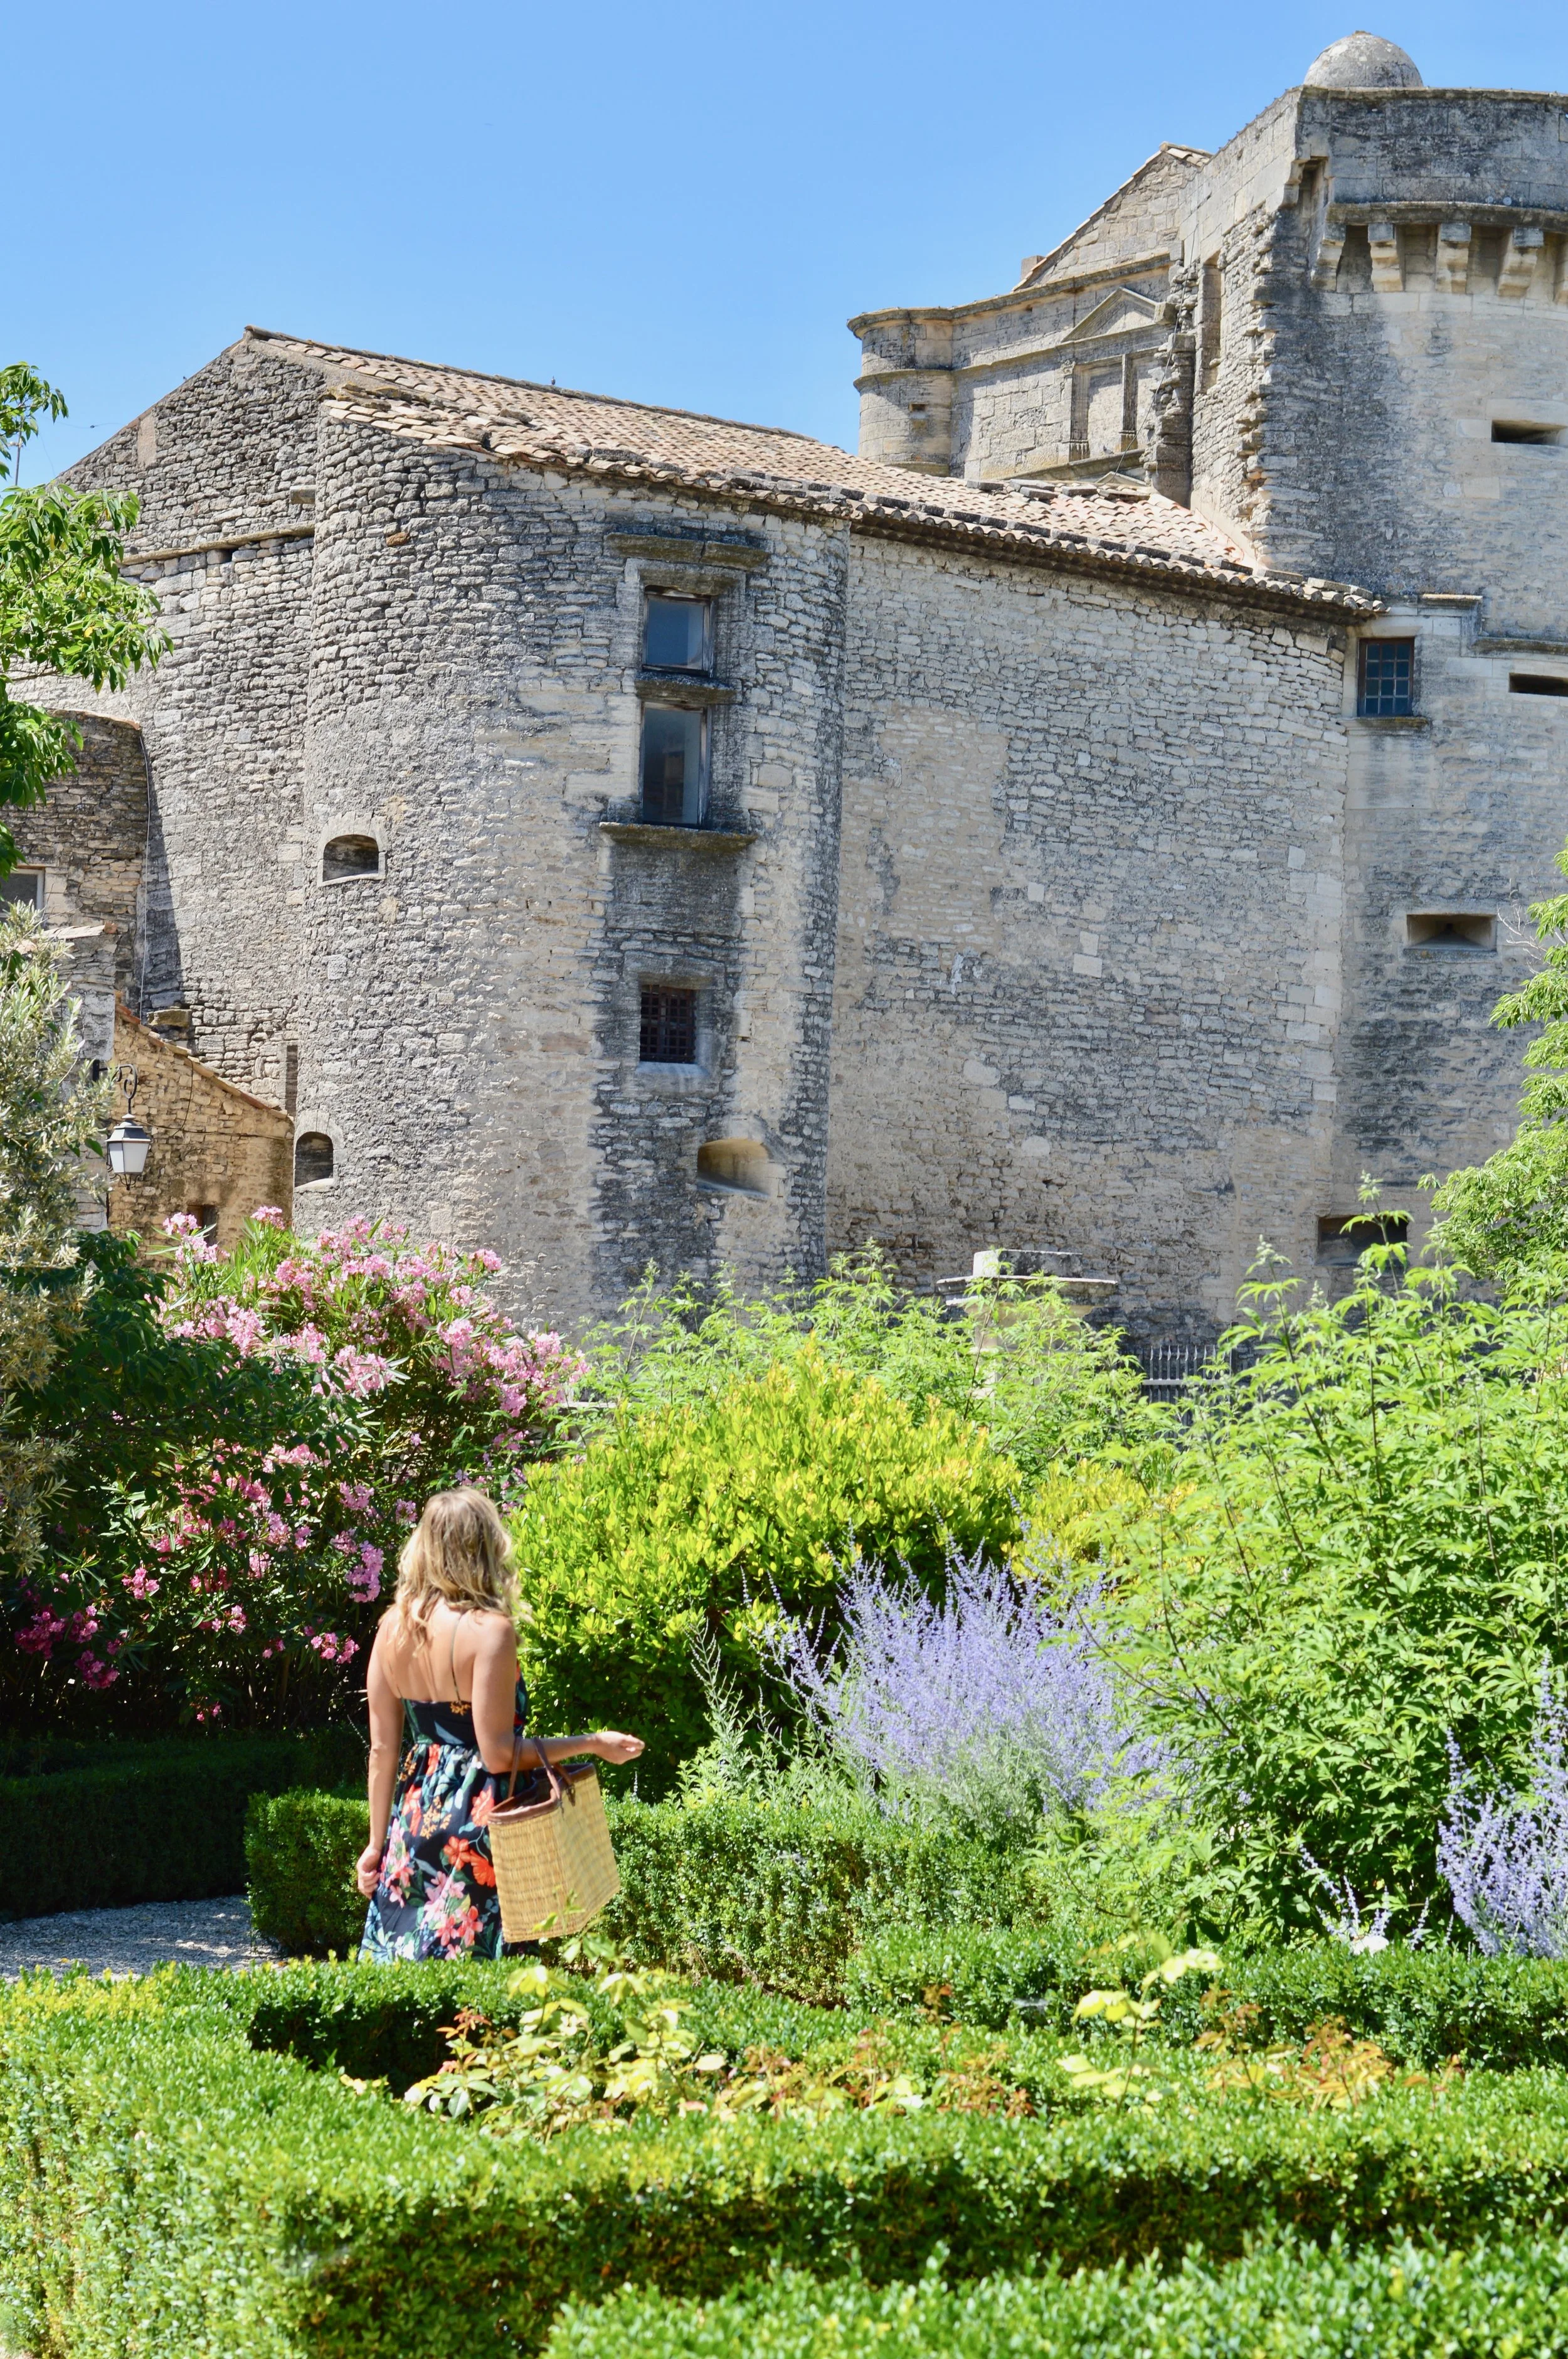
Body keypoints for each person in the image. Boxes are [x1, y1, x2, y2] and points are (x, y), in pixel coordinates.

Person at [357, 1485, 642, 1961]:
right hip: (476, 1816)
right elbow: (497, 1753)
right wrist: (592, 1743)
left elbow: (382, 1751)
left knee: (403, 1958)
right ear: (486, 1547)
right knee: (475, 1968)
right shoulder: (491, 1630)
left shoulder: (391, 1628)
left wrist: (374, 1844)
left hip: (412, 1813)